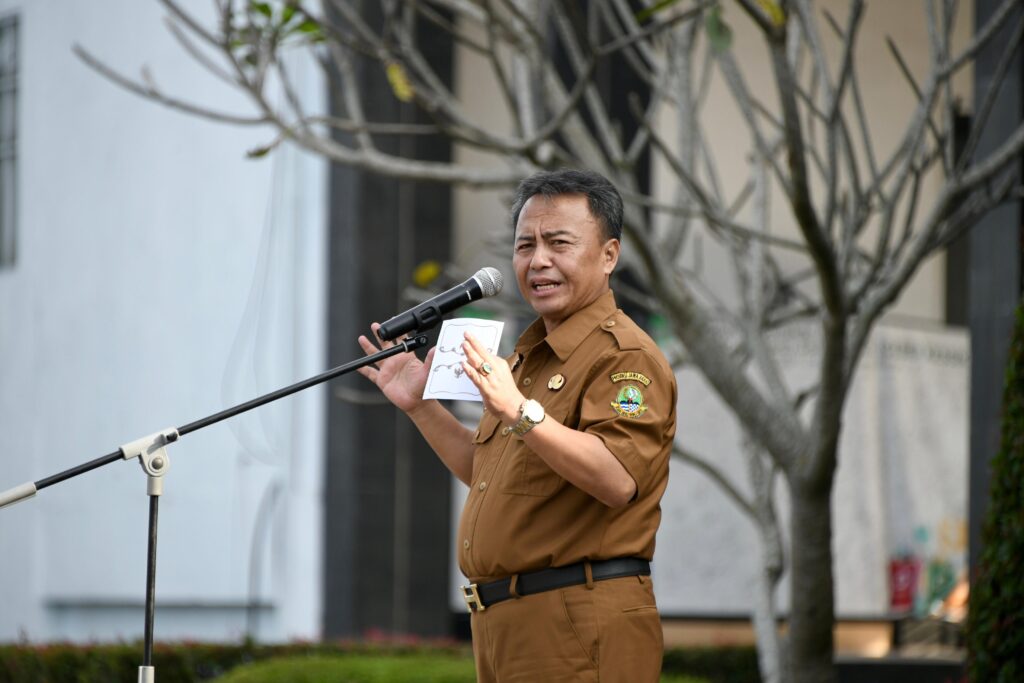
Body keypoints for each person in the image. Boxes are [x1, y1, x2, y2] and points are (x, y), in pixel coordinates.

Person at [357, 169, 677, 682]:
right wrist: (421, 407)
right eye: (525, 244)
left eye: (559, 243)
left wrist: (519, 411)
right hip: (508, 624)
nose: (538, 260)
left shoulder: (623, 356)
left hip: (576, 618)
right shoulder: (532, 357)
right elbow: (490, 471)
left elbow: (617, 478)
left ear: (609, 255)